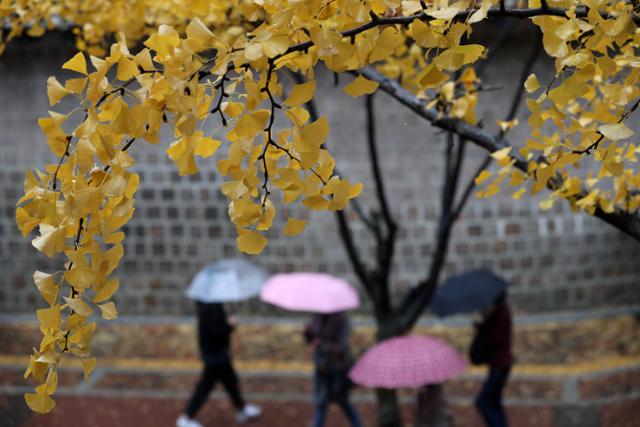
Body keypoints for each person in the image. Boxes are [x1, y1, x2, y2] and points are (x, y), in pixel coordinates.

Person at [177, 302, 261, 427]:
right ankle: (187, 417)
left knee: (230, 381)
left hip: (217, 354)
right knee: (206, 386)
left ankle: (241, 408)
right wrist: (230, 325)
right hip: (215, 356)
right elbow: (216, 332)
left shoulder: (211, 304)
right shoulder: (210, 308)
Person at [304, 312, 364, 427]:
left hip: (338, 369)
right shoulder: (317, 317)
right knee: (321, 403)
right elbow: (312, 339)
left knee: (343, 401)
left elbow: (342, 348)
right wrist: (308, 334)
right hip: (322, 368)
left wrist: (321, 345)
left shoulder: (341, 320)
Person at [471, 293, 513, 427]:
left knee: (483, 401)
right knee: (493, 402)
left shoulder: (501, 314)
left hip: (500, 365)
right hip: (499, 364)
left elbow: (494, 339)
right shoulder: (500, 312)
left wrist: (483, 325)